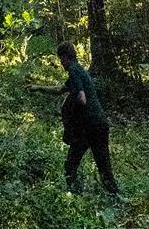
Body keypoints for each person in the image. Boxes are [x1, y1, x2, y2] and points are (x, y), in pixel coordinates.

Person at [28, 41, 120, 195]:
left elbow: (81, 98)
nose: (61, 63)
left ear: (64, 57)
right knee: (104, 167)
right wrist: (38, 87)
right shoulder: (79, 70)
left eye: (60, 59)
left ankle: (74, 196)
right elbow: (60, 89)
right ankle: (116, 196)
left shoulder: (73, 71)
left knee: (70, 165)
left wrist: (70, 104)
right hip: (100, 124)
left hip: (89, 127)